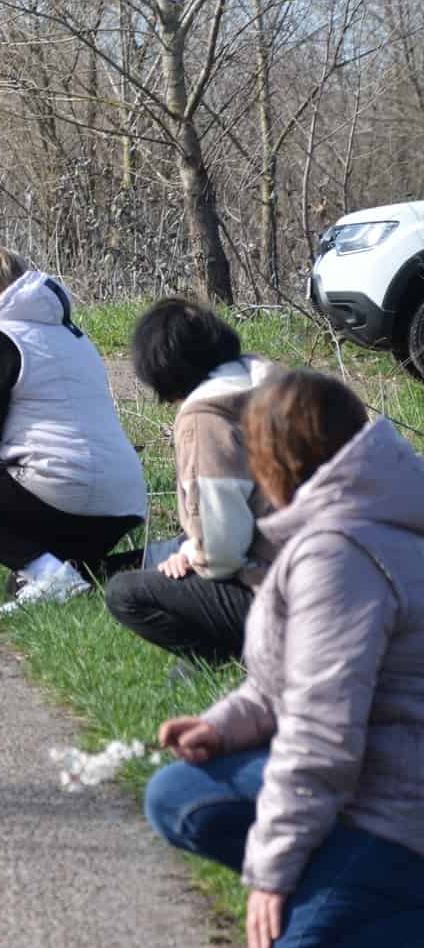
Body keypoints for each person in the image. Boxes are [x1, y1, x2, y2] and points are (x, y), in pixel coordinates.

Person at [146, 370, 424, 948]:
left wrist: (272, 875)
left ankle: (375, 893)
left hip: (399, 802)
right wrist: (221, 726)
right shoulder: (361, 521)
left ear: (277, 461)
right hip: (380, 763)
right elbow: (285, 688)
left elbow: (323, 733)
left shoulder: (339, 554)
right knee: (178, 793)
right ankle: (343, 882)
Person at [0, 245, 147, 603]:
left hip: (65, 489)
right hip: (124, 497)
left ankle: (54, 577)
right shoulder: (72, 334)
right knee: (27, 578)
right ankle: (150, 561)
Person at [103, 301, 277, 664]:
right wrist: (190, 549)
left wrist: (193, 556)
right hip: (356, 584)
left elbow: (221, 555)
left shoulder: (206, 418)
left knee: (126, 592)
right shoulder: (281, 386)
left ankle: (230, 659)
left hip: (289, 600)